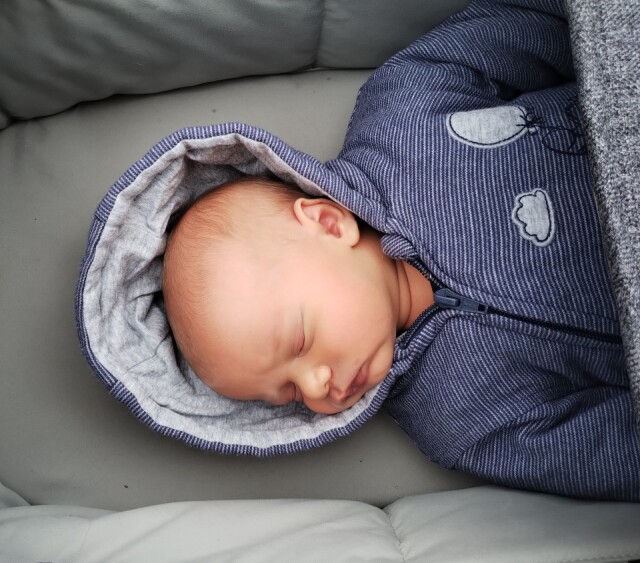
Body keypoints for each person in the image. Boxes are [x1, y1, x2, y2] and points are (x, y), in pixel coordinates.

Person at [162, 0, 640, 501]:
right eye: (289, 394)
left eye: (300, 341)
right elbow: (606, 451)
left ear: (327, 223)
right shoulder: (457, 419)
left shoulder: (406, 111)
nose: (317, 387)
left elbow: (545, 22)